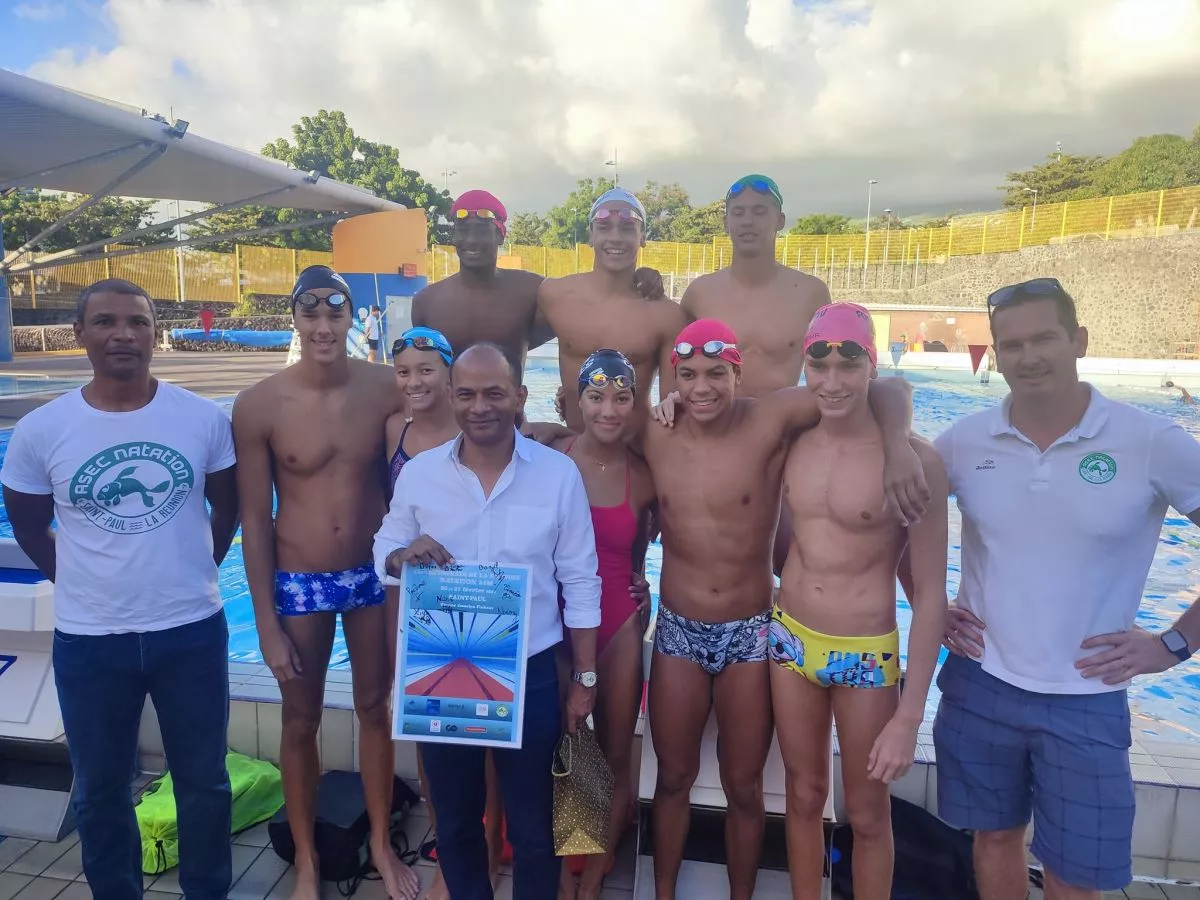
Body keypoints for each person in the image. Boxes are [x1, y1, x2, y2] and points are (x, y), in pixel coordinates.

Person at [933, 278, 1200, 900]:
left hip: (1087, 694)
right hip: (980, 680)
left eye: (1044, 338)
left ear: (1078, 339)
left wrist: (1174, 644)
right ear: (995, 354)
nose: (1028, 356)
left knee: (1075, 875)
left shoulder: (1150, 441)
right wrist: (933, 606)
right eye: (1012, 344)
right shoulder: (964, 441)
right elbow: (889, 522)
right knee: (993, 838)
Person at [645, 318, 927, 900]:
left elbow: (888, 387)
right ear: (673, 378)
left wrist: (899, 444)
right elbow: (587, 439)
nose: (701, 387)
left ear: (737, 373)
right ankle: (663, 893)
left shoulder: (770, 418)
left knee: (745, 787)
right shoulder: (655, 431)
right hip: (677, 629)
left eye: (715, 373)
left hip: (754, 632)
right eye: (688, 375)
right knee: (672, 778)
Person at [0, 278, 240, 900]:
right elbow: (27, 524)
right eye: (105, 322)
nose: (123, 334)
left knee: (204, 783)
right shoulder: (43, 429)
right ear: (80, 334)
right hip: (90, 639)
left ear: (155, 332)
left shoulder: (201, 418)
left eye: (137, 321)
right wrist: (77, 580)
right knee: (99, 788)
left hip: (190, 631)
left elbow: (229, 507)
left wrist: (200, 567)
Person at [374, 343, 602, 900]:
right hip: (443, 667)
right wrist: (401, 555)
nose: (481, 407)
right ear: (452, 397)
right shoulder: (420, 475)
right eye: (468, 394)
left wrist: (584, 678)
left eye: (495, 393)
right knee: (455, 822)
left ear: (519, 397)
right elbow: (383, 547)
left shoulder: (557, 475)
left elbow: (581, 580)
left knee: (534, 829)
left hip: (531, 669)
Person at [233, 266, 417, 900]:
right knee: (299, 719)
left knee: (374, 708)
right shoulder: (259, 405)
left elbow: (447, 433)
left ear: (351, 319)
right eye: (309, 314)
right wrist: (264, 625)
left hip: (371, 573)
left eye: (334, 314)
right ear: (294, 318)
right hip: (300, 580)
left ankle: (381, 844)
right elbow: (254, 521)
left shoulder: (387, 387)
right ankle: (307, 861)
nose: (322, 327)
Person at [768, 303, 949, 900]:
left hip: (865, 653)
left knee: (869, 813)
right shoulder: (794, 440)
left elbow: (931, 596)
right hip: (790, 638)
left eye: (849, 364)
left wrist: (910, 716)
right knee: (801, 795)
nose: (832, 381)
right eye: (818, 364)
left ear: (871, 365)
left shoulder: (915, 461)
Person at [383, 325, 506, 900]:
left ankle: (493, 850)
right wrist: (397, 555)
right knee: (435, 741)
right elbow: (388, 531)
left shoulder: (504, 437)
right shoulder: (397, 432)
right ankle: (451, 854)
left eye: (427, 369)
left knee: (502, 748)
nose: (416, 381)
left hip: (504, 619)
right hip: (430, 613)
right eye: (405, 371)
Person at [540, 350, 656, 900]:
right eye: (596, 396)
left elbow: (642, 554)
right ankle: (567, 866)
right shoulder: (548, 456)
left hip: (617, 625)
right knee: (565, 744)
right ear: (576, 402)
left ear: (635, 404)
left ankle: (597, 865)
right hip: (556, 623)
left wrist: (645, 587)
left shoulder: (644, 475)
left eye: (622, 398)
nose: (609, 409)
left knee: (612, 749)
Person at [679, 175, 833, 573]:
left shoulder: (811, 293)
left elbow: (839, 375)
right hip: (718, 443)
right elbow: (677, 376)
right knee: (716, 566)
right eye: (739, 213)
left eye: (760, 212)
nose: (748, 221)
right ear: (726, 221)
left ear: (779, 219)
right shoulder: (700, 293)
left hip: (783, 447)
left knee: (795, 565)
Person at [412, 189, 664, 382]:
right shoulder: (426, 302)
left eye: (481, 230)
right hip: (446, 429)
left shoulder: (532, 291)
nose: (471, 240)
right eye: (463, 230)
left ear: (500, 235)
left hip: (511, 427)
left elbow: (597, 305)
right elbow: (418, 372)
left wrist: (637, 277)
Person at [538, 188, 688, 434]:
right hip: (574, 446)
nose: (615, 238)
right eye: (604, 227)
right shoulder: (555, 296)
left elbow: (672, 411)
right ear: (591, 235)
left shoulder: (666, 315)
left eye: (627, 228)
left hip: (633, 450)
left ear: (643, 236)